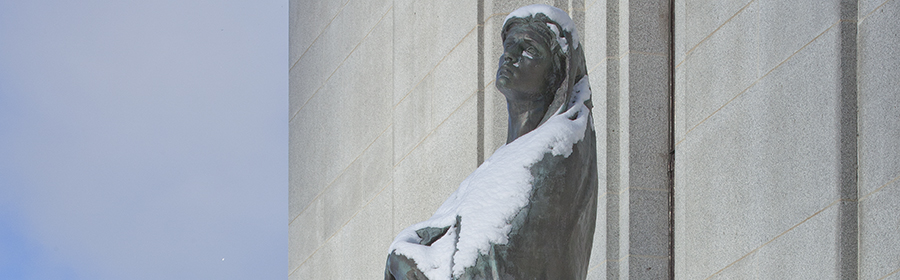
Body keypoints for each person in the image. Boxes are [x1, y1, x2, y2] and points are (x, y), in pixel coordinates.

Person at [385, 5, 597, 279]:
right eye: (509, 47)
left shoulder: (556, 152)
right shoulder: (497, 164)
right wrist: (403, 254)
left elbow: (491, 262)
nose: (510, 56)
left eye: (529, 50)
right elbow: (443, 234)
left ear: (557, 74)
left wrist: (404, 260)